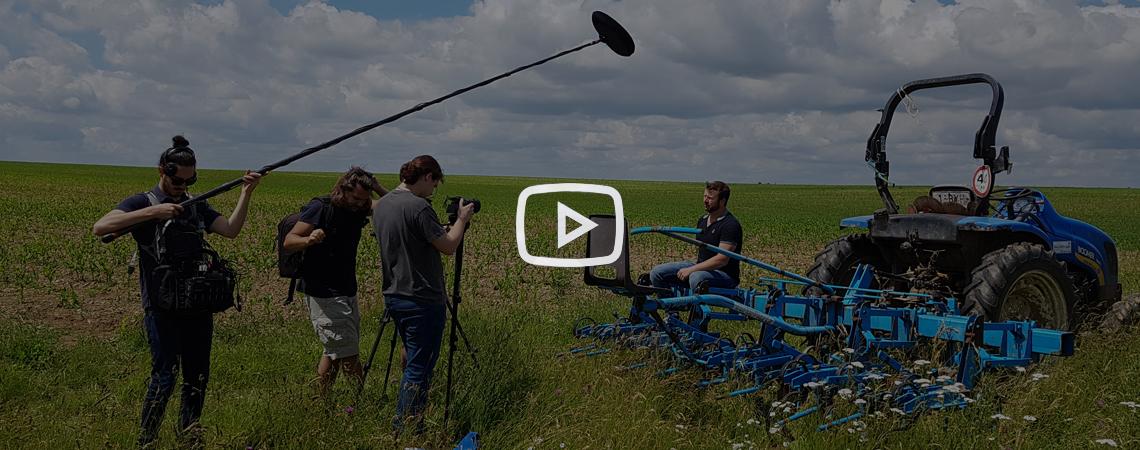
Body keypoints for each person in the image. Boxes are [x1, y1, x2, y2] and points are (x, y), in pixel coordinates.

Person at [92, 135, 262, 446]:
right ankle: (148, 439)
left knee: (197, 377)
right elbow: (101, 227)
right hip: (161, 306)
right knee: (165, 376)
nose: (182, 185)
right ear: (162, 170)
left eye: (189, 179)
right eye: (177, 178)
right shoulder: (143, 202)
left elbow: (231, 230)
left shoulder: (196, 205)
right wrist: (154, 213)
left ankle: (189, 436)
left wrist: (246, 193)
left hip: (197, 305)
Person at [372, 155, 474, 434]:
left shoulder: (383, 205)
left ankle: (407, 418)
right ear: (428, 176)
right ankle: (405, 429)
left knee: (412, 356)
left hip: (394, 293)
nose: (434, 191)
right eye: (435, 184)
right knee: (420, 366)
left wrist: (437, 231)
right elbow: (449, 246)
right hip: (422, 297)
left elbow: (409, 237)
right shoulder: (419, 207)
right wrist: (461, 221)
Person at [283, 167, 388, 395]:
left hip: (347, 288)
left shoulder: (360, 207)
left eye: (365, 199)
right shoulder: (321, 207)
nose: (361, 204)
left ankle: (323, 402)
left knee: (334, 351)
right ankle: (359, 404)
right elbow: (289, 241)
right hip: (322, 290)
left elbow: (391, 206)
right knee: (348, 354)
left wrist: (377, 187)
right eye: (356, 198)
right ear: (343, 189)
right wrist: (309, 239)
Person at [649, 181, 743, 292]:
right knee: (657, 272)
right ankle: (671, 308)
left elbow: (721, 260)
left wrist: (691, 269)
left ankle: (696, 309)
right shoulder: (702, 220)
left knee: (696, 277)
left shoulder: (730, 225)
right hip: (701, 267)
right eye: (705, 196)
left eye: (710, 198)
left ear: (722, 201)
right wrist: (692, 268)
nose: (705, 201)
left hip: (724, 275)